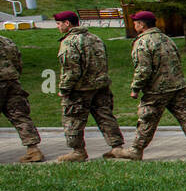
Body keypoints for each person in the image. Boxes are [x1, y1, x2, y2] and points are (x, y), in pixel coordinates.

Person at [120, 10, 186, 160]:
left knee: (147, 119)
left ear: (141, 25)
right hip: (177, 86)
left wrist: (135, 88)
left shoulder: (142, 42)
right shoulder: (167, 39)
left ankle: (136, 149)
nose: (134, 25)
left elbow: (143, 69)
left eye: (135, 22)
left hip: (157, 89)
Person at [53, 10, 126, 162]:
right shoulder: (95, 38)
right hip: (100, 86)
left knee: (73, 119)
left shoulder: (69, 41)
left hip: (80, 89)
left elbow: (72, 69)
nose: (58, 27)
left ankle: (78, 151)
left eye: (59, 24)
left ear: (67, 23)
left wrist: (64, 89)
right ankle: (117, 147)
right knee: (105, 116)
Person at [0, 34, 43, 162]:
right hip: (12, 82)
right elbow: (18, 62)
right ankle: (33, 150)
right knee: (19, 116)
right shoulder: (6, 41)